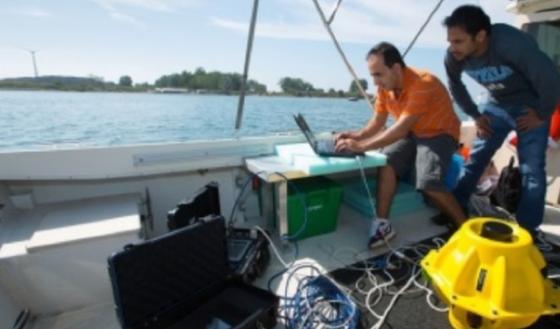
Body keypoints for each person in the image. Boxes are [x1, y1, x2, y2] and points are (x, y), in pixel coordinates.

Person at [335, 42, 466, 249]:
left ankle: (464, 226)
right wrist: (355, 136)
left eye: (379, 74)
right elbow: (377, 122)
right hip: (412, 133)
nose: (376, 82)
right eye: (373, 76)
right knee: (386, 163)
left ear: (396, 68)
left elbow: (401, 128)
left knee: (428, 182)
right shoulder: (384, 88)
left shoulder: (424, 83)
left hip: (439, 134)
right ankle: (382, 226)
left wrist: (360, 147)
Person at [443, 5, 560, 234]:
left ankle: (527, 230)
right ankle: (456, 210)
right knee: (476, 157)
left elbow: (550, 78)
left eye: (458, 41)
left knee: (532, 170)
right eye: (450, 41)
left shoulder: (511, 44)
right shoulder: (454, 57)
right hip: (495, 104)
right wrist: (476, 115)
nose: (452, 48)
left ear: (480, 37)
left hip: (530, 106)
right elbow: (455, 86)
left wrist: (542, 114)